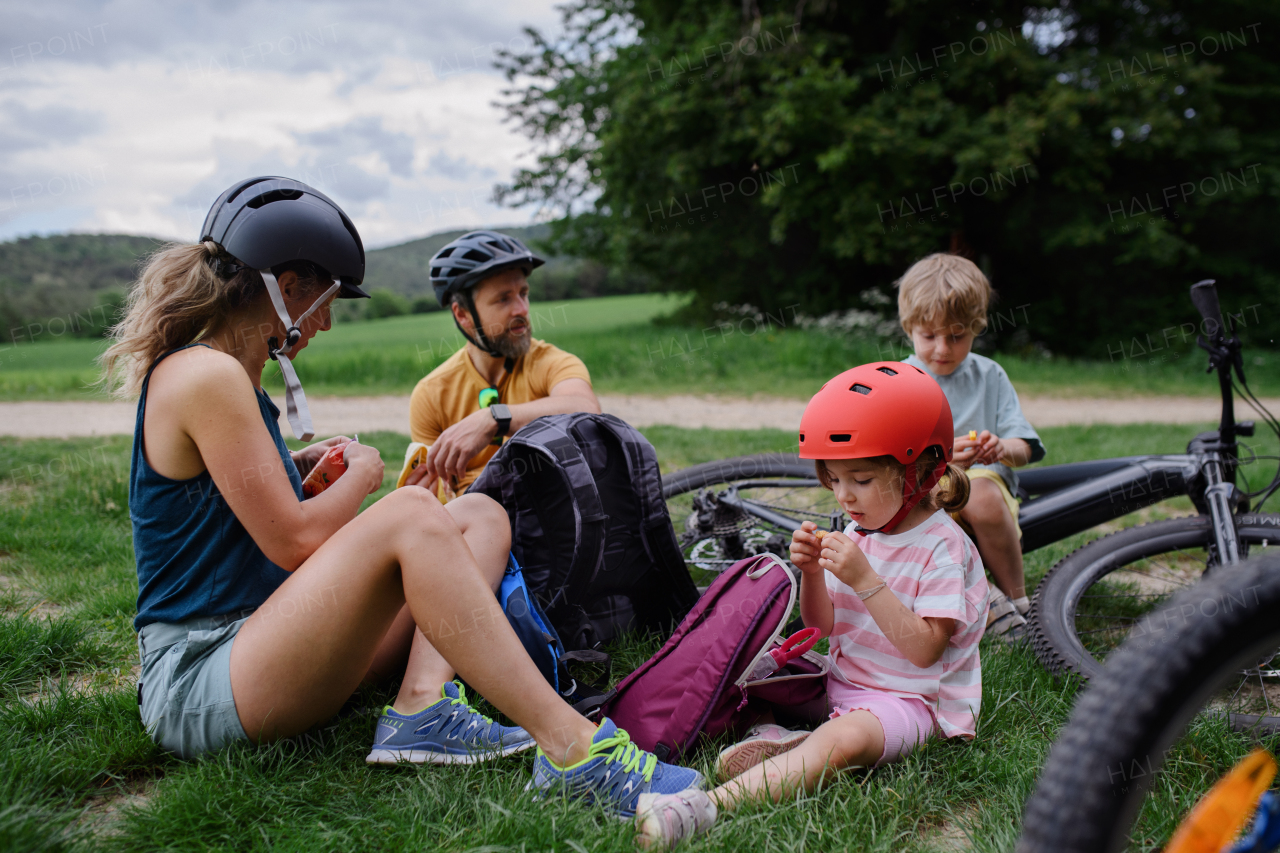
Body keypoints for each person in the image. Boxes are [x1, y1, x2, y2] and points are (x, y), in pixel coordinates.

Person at [101, 176, 701, 817]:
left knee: (476, 514)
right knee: (413, 512)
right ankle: (575, 750)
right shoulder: (206, 372)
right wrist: (362, 476)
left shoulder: (227, 376)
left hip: (262, 637)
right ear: (286, 285)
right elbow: (295, 540)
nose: (326, 323)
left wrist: (296, 473)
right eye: (326, 301)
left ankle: (421, 708)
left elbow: (237, 520)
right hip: (202, 674)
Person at [633, 363, 989, 847]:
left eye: (861, 479)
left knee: (846, 741)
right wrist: (813, 573)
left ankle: (704, 807)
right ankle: (781, 739)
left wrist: (865, 580)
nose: (844, 496)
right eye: (834, 480)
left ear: (922, 474)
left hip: (910, 702)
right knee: (748, 676)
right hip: (840, 683)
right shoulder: (858, 531)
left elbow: (925, 651)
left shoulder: (942, 548)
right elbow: (823, 627)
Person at [897, 253, 1046, 639]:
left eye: (957, 336)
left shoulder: (989, 376)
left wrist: (1000, 448)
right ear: (909, 328)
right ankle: (972, 602)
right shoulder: (901, 380)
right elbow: (891, 456)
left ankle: (1018, 601)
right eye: (929, 336)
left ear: (977, 328)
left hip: (982, 483)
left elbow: (1025, 446)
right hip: (924, 490)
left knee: (978, 492)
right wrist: (942, 458)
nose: (943, 349)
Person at [403, 230, 601, 497]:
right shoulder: (431, 394)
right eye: (504, 298)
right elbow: (433, 497)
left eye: (523, 293)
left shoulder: (552, 363)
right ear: (462, 314)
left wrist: (495, 418)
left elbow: (586, 410)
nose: (522, 309)